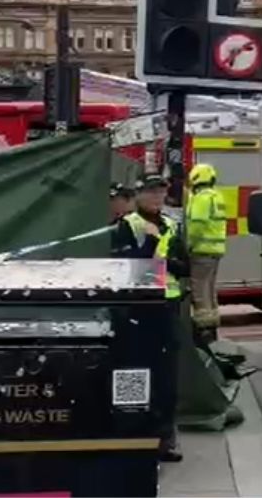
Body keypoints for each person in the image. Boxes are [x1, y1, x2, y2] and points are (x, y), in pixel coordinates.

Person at [111, 174, 189, 463]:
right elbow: (126, 265)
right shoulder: (128, 225)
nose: (157, 197)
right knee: (133, 371)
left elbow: (184, 266)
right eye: (151, 192)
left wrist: (163, 259)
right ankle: (131, 436)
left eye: (161, 192)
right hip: (136, 309)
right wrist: (151, 249)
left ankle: (164, 438)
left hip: (165, 307)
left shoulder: (170, 224)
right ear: (138, 196)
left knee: (166, 377)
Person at [185, 162, 229, 345]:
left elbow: (197, 226)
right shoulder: (217, 196)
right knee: (209, 291)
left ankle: (203, 331)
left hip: (201, 251)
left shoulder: (201, 198)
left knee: (199, 292)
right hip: (215, 251)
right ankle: (212, 328)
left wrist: (187, 245)